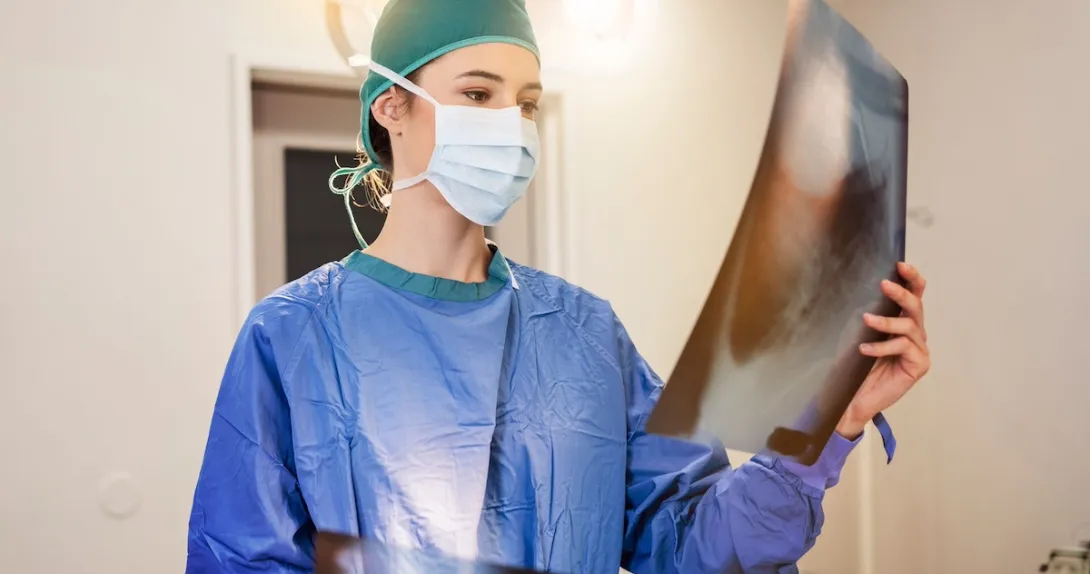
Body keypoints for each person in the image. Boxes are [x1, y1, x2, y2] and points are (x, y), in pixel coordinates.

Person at [185, 1, 931, 572]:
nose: (510, 124)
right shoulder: (291, 337)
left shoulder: (582, 333)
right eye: (478, 94)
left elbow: (696, 545)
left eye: (528, 102)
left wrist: (832, 421)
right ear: (391, 107)